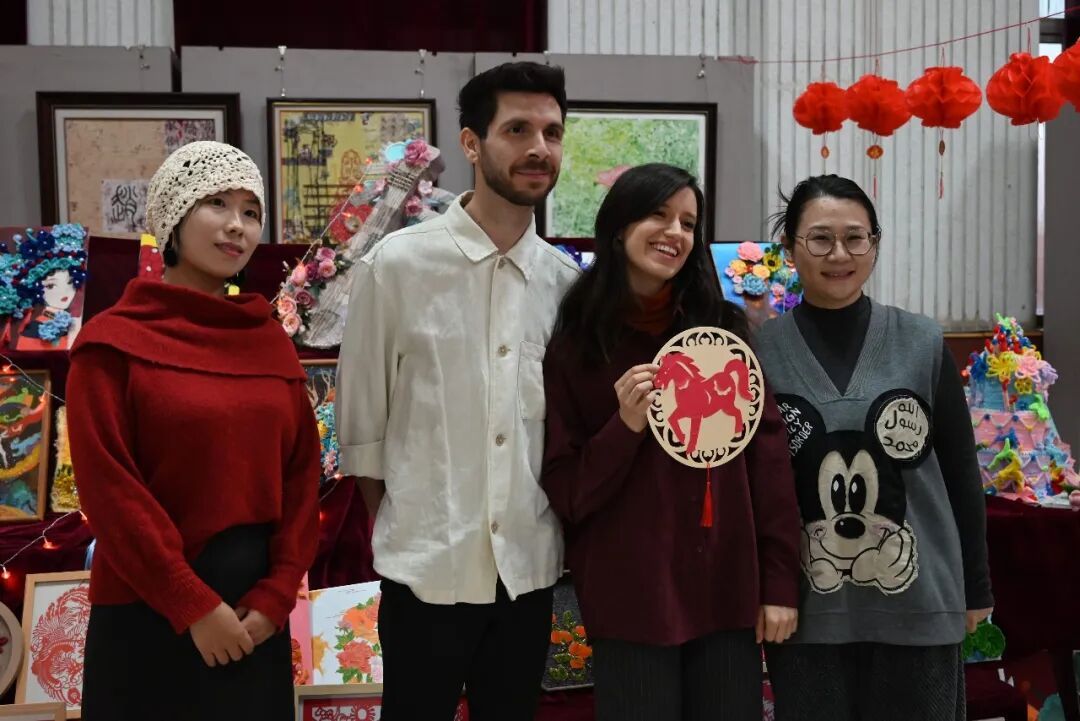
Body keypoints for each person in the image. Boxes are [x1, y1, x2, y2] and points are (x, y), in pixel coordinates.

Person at [335, 61, 579, 721]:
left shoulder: (566, 287)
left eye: (553, 132)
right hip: (425, 574)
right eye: (518, 129)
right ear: (471, 143)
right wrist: (419, 524)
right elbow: (362, 429)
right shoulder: (395, 268)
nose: (539, 148)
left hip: (527, 575)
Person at [66, 141, 320, 721]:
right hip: (147, 604)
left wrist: (276, 596)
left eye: (251, 212)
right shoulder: (112, 343)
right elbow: (110, 489)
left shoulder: (267, 340)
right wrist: (192, 604)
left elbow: (302, 479)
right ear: (173, 216)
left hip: (253, 613)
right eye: (217, 204)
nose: (237, 226)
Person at [540, 163, 802, 721]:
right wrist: (625, 427)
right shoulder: (576, 346)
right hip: (630, 599)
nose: (675, 232)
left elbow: (769, 465)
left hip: (725, 592)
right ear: (619, 227)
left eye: (688, 222)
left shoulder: (723, 334)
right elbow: (568, 493)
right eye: (658, 215)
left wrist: (779, 582)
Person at [755, 175, 993, 721]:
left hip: (919, 604)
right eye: (820, 238)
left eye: (855, 238)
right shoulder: (760, 351)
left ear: (875, 244)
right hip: (807, 615)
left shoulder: (922, 341)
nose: (839, 254)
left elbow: (960, 471)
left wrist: (976, 587)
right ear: (790, 247)